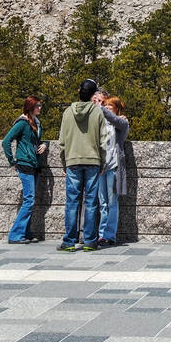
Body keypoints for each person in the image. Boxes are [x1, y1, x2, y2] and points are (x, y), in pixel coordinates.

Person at [57, 79, 108, 253]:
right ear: (93, 95)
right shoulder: (97, 113)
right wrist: (103, 162)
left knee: (72, 202)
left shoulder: (67, 113)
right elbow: (103, 142)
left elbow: (62, 142)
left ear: (79, 91)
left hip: (73, 161)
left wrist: (64, 163)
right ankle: (90, 241)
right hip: (93, 161)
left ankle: (70, 241)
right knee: (91, 203)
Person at [2, 95, 47, 244]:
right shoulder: (22, 123)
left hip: (34, 165)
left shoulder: (36, 123)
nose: (40, 108)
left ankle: (26, 233)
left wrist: (45, 143)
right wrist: (12, 161)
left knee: (30, 201)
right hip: (25, 164)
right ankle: (15, 235)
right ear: (31, 107)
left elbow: (36, 141)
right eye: (38, 105)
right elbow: (6, 141)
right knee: (29, 200)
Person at [94, 93, 130, 248]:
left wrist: (100, 108)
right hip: (101, 167)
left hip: (114, 166)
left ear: (116, 109)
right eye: (105, 104)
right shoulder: (101, 122)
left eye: (110, 105)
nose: (106, 107)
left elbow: (115, 120)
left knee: (112, 202)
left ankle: (110, 235)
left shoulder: (121, 123)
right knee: (102, 203)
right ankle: (101, 235)